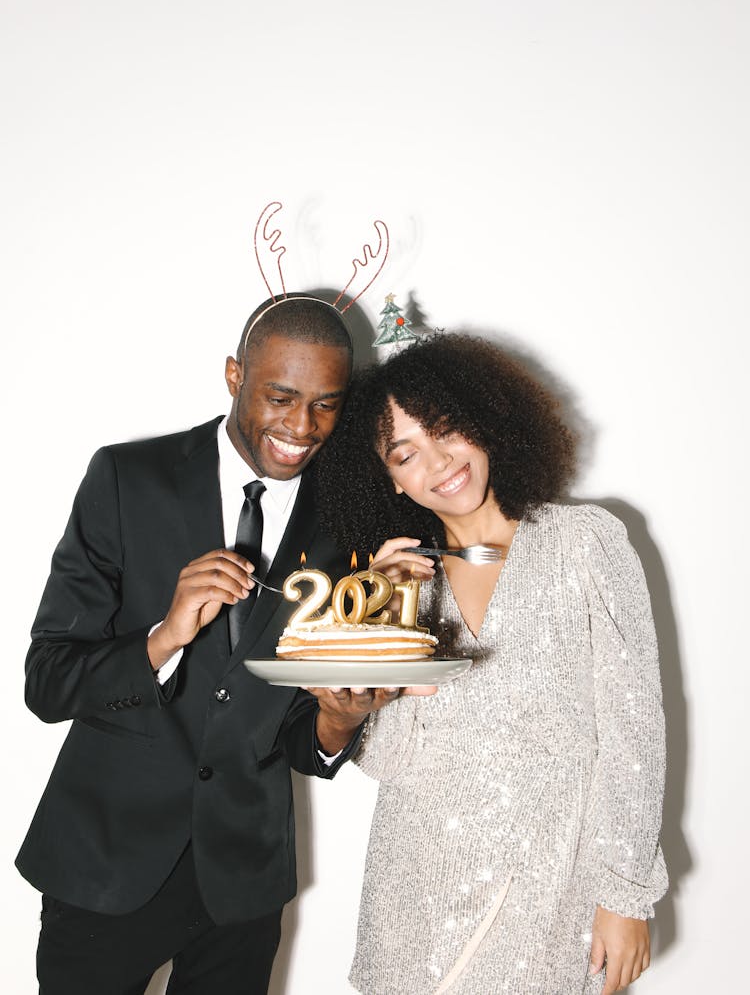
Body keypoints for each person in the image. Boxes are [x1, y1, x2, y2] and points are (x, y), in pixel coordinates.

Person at [16, 294, 405, 995]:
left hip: (243, 885)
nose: (301, 426)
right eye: (281, 396)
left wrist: (340, 721)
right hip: (103, 868)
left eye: (326, 405)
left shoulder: (345, 515)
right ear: (234, 375)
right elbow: (46, 681)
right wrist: (162, 637)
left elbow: (294, 732)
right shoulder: (125, 479)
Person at [315, 333, 668, 995]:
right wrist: (374, 616)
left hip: (548, 885)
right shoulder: (400, 581)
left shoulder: (583, 541)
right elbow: (383, 759)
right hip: (414, 881)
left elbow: (634, 733)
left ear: (485, 420)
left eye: (446, 429)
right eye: (405, 452)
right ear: (388, 477)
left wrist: (624, 894)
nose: (438, 461)